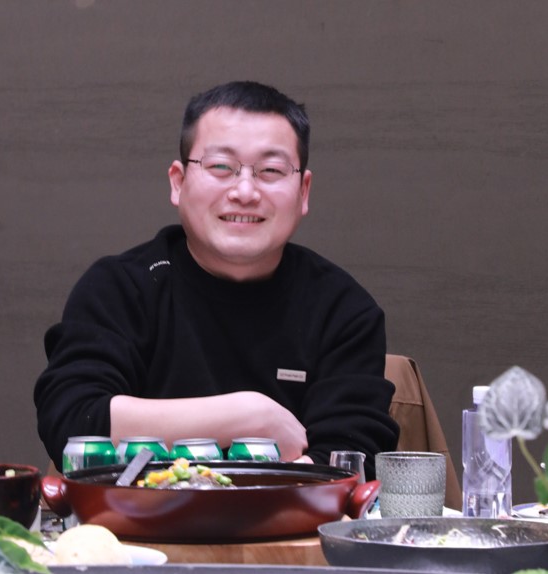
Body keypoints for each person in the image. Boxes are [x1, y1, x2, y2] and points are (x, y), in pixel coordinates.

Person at [34, 81, 398, 479]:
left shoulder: (342, 309)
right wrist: (249, 415)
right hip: (135, 519)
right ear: (178, 182)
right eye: (221, 167)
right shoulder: (120, 288)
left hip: (287, 521)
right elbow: (73, 419)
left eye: (271, 171)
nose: (245, 191)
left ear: (304, 191)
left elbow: (351, 458)